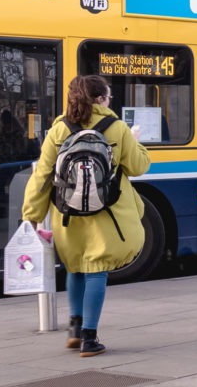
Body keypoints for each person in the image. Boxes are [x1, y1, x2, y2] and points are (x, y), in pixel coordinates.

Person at [21, 74, 151, 356]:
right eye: (108, 96)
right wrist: (137, 142)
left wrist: (31, 214)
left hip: (68, 214)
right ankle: (90, 339)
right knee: (97, 271)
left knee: (75, 266)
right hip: (107, 213)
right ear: (102, 99)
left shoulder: (59, 129)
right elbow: (139, 166)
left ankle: (75, 329)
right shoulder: (116, 128)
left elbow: (42, 176)